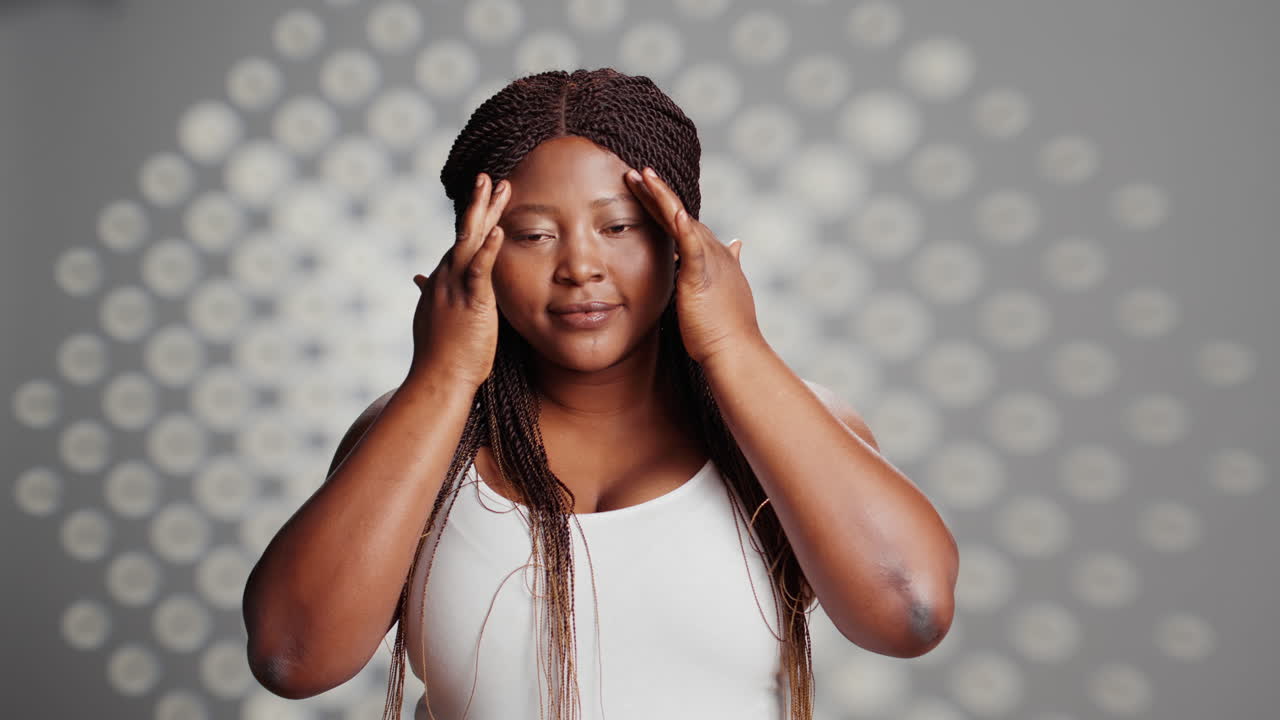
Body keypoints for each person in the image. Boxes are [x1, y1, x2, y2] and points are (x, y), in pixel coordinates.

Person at [242, 68, 958, 720]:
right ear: (474, 251)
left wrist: (737, 348)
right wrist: (441, 378)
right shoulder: (414, 436)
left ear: (683, 240)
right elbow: (292, 658)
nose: (580, 266)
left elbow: (911, 614)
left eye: (619, 227)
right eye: (532, 235)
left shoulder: (794, 424)